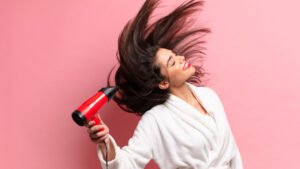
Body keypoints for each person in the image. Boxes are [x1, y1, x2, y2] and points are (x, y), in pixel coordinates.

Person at [85, 0, 244, 168]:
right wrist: (104, 142)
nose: (181, 59)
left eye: (175, 55)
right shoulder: (155, 120)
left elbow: (232, 151)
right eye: (172, 62)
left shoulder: (210, 97)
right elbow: (128, 163)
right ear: (162, 82)